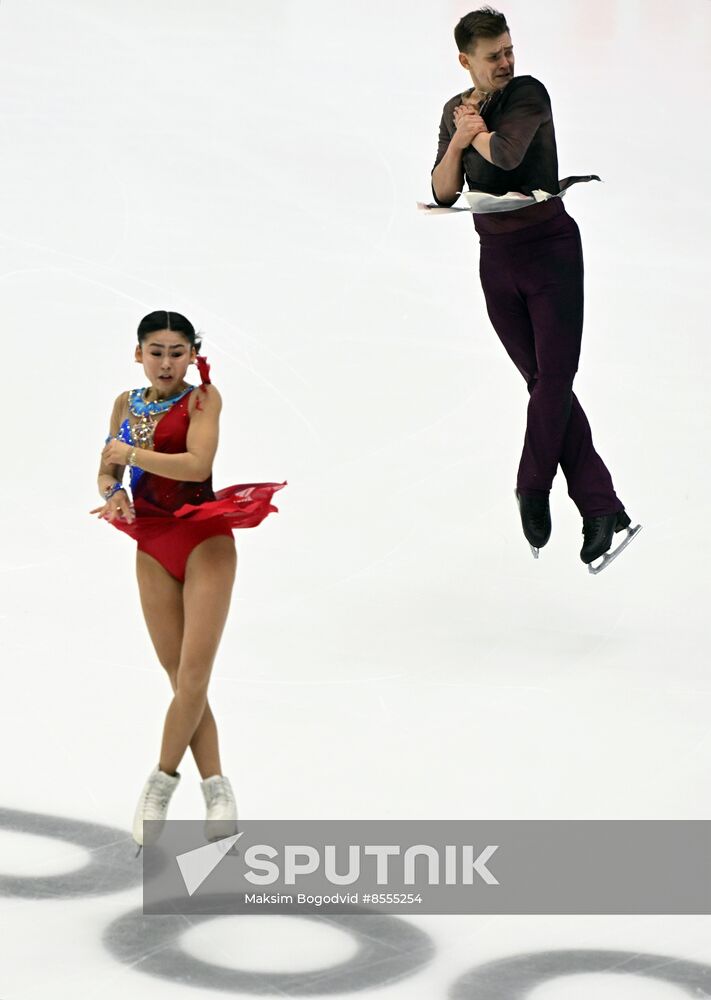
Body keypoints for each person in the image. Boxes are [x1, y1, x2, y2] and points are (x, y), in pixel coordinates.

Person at [430, 7, 640, 571]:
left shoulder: (528, 93)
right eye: (492, 54)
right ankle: (601, 508)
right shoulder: (457, 111)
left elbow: (507, 155)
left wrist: (475, 135)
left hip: (550, 254)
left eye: (508, 50)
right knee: (541, 382)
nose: (505, 61)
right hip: (495, 260)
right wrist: (457, 141)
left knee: (555, 380)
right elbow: (443, 190)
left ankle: (533, 485)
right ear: (464, 60)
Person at [91, 310, 285, 851]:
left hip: (205, 540)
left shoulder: (204, 399)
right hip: (151, 542)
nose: (166, 362)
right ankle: (218, 789)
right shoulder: (125, 404)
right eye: (156, 351)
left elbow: (197, 466)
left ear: (191, 354)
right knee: (179, 679)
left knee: (194, 677)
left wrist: (127, 456)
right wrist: (113, 490)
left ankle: (160, 782)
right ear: (138, 353)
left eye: (177, 352)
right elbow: (106, 466)